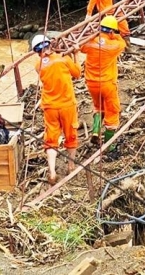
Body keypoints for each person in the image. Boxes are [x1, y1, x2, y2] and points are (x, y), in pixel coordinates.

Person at [32, 34, 81, 185]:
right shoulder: (64, 59)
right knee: (70, 134)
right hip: (67, 104)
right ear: (49, 45)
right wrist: (76, 54)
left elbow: (50, 62)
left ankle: (52, 173)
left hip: (50, 106)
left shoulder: (38, 65)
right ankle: (71, 166)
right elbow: (78, 74)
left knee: (51, 139)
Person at [79, 16, 127, 149]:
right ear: (111, 32)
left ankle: (95, 131)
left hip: (91, 83)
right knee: (112, 111)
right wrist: (115, 35)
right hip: (107, 83)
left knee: (98, 106)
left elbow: (81, 47)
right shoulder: (113, 46)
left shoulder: (90, 43)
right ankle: (109, 146)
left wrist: (96, 35)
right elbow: (122, 42)